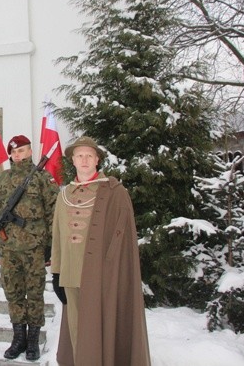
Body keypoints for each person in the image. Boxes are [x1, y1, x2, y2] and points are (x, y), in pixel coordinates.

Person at [51, 136, 151, 366]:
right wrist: (56, 273)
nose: (84, 160)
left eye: (89, 156)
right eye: (79, 156)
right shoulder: (63, 195)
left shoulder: (115, 192)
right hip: (70, 275)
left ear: (97, 160)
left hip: (101, 277)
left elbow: (122, 240)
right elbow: (57, 237)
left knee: (99, 331)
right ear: (73, 161)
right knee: (77, 331)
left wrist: (112, 274)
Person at [0, 135, 58, 361]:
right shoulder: (1, 180)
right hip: (9, 249)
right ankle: (18, 338)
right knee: (12, 292)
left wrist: (51, 245)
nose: (17, 155)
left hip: (35, 248)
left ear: (30, 151)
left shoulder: (43, 179)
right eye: (13, 152)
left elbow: (54, 212)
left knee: (34, 293)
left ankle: (33, 340)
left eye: (21, 151)